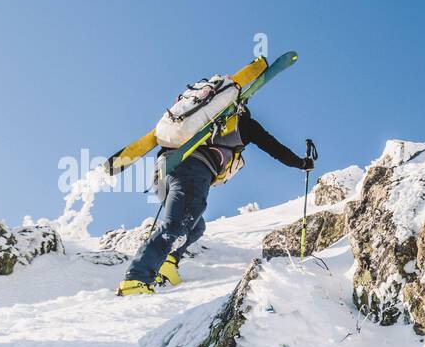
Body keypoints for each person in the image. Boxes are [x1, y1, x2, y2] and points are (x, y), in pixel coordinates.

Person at [117, 107, 316, 296]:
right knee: (178, 225)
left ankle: (168, 263)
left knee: (195, 227)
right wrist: (301, 163)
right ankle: (137, 278)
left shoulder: (195, 120)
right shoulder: (241, 122)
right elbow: (274, 148)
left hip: (162, 171)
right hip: (193, 169)